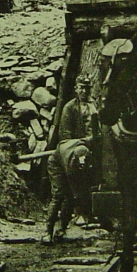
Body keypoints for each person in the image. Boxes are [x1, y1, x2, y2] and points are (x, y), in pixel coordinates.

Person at [45, 78, 100, 243]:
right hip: (65, 156)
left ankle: (62, 229)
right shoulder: (69, 108)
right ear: (76, 89)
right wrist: (85, 142)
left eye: (87, 89)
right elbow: (65, 137)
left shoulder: (93, 107)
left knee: (70, 196)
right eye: (81, 88)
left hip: (84, 152)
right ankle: (47, 231)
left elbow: (98, 135)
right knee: (59, 194)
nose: (84, 92)